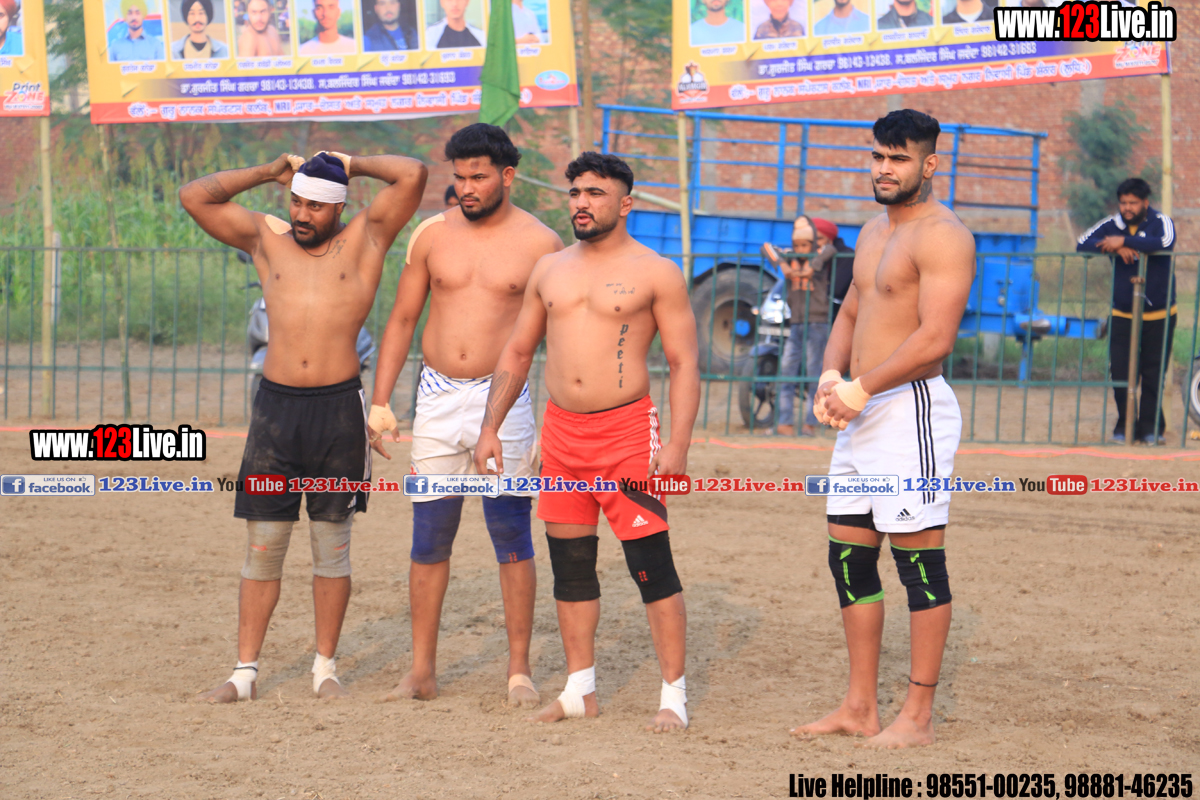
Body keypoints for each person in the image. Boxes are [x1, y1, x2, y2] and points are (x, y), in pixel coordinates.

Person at [181, 150, 428, 703]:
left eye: (315, 206)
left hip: (338, 412)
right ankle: (244, 673)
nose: (301, 214)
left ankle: (325, 668)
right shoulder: (266, 238)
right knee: (263, 546)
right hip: (276, 411)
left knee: (331, 546)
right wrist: (266, 171)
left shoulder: (366, 237)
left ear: (338, 207)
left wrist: (351, 162)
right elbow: (194, 196)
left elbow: (413, 174)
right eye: (296, 201)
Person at [474, 152, 701, 732]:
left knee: (651, 565)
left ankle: (673, 696)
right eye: (575, 192)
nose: (581, 202)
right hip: (562, 435)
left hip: (627, 434)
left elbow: (683, 362)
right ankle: (580, 690)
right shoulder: (549, 270)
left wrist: (677, 445)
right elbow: (518, 351)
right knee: (571, 566)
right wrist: (490, 427)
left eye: (595, 193)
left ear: (625, 203)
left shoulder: (657, 272)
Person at [795, 109, 975, 749]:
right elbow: (850, 310)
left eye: (899, 158)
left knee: (918, 564)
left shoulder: (945, 236)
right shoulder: (872, 231)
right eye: (878, 156)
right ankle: (860, 707)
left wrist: (863, 387)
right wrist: (831, 375)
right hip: (860, 408)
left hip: (910, 410)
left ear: (930, 164)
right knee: (848, 555)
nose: (884, 169)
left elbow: (935, 339)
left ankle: (917, 717)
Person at [370, 125, 563, 707]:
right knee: (429, 535)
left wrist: (551, 420)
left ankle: (519, 671)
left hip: (505, 401)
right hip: (435, 397)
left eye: (478, 176)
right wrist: (380, 402)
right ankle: (421, 672)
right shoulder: (431, 234)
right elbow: (403, 319)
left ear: (508, 175)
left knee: (511, 532)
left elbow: (558, 339)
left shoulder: (543, 243)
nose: (467, 187)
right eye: (459, 176)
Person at [1076, 177, 1176, 445]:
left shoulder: (1161, 221)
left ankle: (1151, 429)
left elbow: (1166, 242)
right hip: (1123, 313)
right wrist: (1116, 246)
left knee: (1153, 373)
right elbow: (1082, 242)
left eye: (1133, 203)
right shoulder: (1111, 225)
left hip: (1159, 313)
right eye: (1123, 203)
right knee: (1120, 373)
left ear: (1145, 202)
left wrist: (1124, 241)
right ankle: (1125, 425)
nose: (1127, 208)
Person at [762, 215, 837, 436]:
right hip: (796, 322)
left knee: (814, 373)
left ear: (813, 244)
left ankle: (810, 423)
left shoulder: (820, 255)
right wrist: (783, 265)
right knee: (787, 371)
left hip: (818, 322)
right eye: (797, 245)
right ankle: (784, 422)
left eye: (806, 244)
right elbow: (766, 247)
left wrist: (814, 266)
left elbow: (830, 249)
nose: (801, 249)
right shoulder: (790, 257)